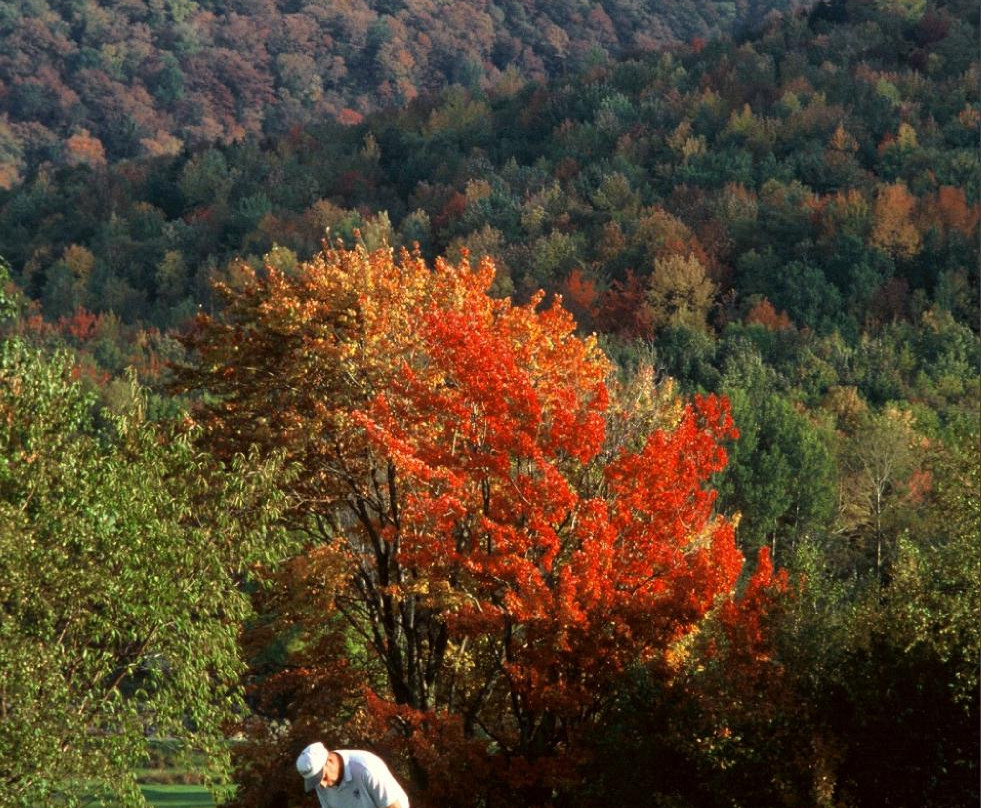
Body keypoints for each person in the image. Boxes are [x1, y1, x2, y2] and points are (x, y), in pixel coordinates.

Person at [296, 742, 410, 808]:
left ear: (329, 760)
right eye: (315, 781)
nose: (323, 785)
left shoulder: (366, 768)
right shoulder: (320, 784)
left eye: (323, 777)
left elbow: (394, 806)